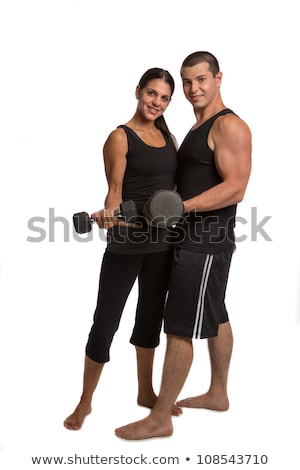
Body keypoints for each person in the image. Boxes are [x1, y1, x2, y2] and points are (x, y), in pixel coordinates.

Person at [115, 51, 252, 440]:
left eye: (201, 80)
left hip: (204, 244)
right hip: (192, 239)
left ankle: (160, 417)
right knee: (215, 314)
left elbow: (236, 186)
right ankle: (219, 393)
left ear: (218, 78)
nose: (194, 88)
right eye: (187, 82)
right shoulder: (198, 127)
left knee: (179, 328)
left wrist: (182, 207)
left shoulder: (230, 127)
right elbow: (190, 180)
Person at [64, 67, 181, 430]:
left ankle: (146, 391)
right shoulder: (120, 137)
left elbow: (171, 189)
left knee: (149, 319)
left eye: (163, 98)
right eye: (151, 94)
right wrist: (110, 214)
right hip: (126, 244)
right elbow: (114, 190)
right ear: (137, 91)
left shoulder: (168, 137)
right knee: (105, 322)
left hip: (162, 243)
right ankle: (85, 402)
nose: (156, 103)